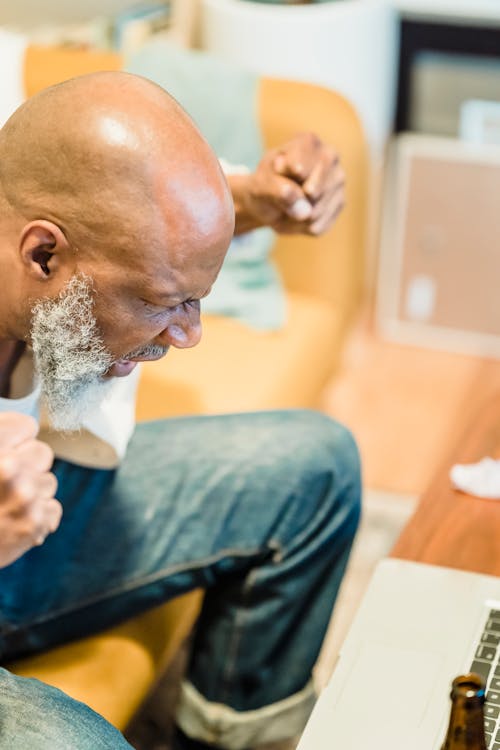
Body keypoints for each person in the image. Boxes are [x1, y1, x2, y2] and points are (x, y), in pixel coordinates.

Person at [0, 71, 361, 750]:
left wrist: (253, 201)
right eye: (164, 302)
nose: (188, 334)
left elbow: (132, 232)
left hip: (38, 519)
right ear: (41, 253)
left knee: (314, 467)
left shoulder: (41, 225)